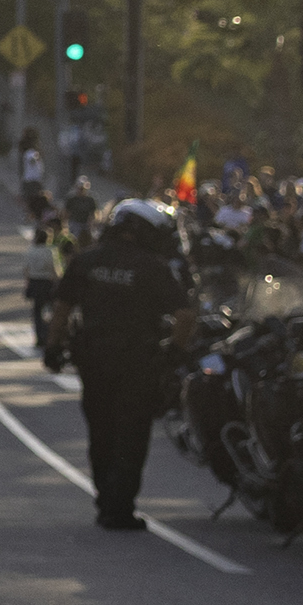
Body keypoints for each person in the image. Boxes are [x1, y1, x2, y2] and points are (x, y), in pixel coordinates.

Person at [59, 192, 190, 528]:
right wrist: (174, 351)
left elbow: (62, 307)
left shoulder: (87, 261)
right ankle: (119, 507)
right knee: (130, 436)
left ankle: (106, 499)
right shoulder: (152, 268)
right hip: (137, 363)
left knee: (101, 432)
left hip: (93, 360)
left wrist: (51, 346)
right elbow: (185, 314)